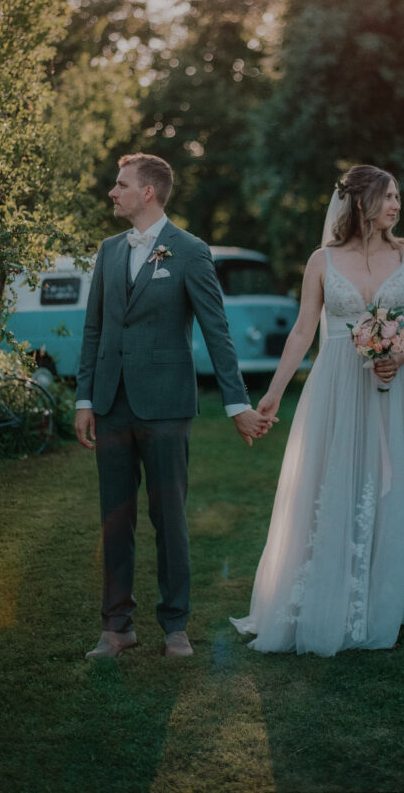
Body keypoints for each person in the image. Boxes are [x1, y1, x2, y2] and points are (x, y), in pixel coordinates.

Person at [230, 165, 404, 655]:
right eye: (389, 196)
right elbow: (302, 331)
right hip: (336, 382)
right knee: (333, 479)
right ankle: (331, 587)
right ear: (361, 202)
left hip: (396, 384)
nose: (397, 205)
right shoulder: (322, 260)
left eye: (398, 197)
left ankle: (384, 593)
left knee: (391, 482)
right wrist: (274, 392)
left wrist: (400, 354)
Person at [75, 152, 271, 660]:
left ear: (148, 192)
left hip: (166, 405)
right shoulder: (109, 251)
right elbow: (94, 328)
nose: (113, 192)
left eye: (121, 185)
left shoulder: (190, 250)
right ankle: (116, 627)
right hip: (111, 403)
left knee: (169, 519)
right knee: (115, 519)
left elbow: (216, 330)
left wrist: (236, 403)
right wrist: (85, 398)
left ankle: (175, 626)